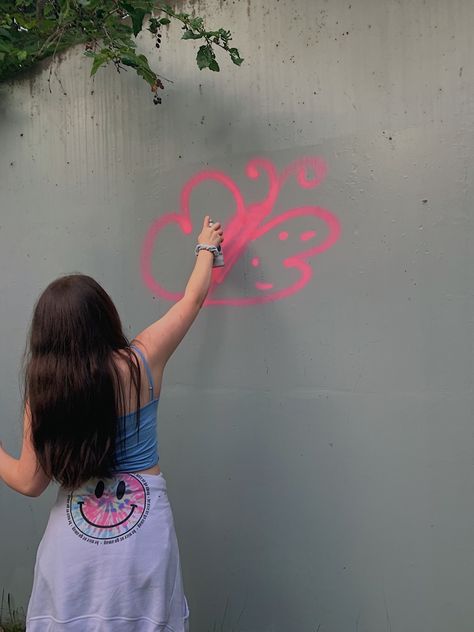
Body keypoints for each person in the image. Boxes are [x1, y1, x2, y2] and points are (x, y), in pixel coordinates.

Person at [0, 215, 224, 631]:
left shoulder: (44, 392)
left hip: (71, 550)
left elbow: (29, 482)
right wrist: (206, 247)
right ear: (104, 315)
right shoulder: (141, 362)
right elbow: (190, 301)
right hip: (144, 538)